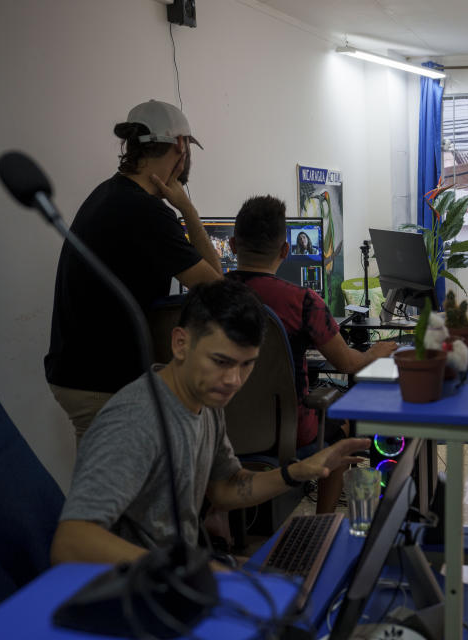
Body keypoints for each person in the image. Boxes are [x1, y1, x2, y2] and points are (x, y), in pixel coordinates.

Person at [51, 279, 369, 565]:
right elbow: (71, 542)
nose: (233, 380)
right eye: (221, 361)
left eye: (246, 365)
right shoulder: (134, 421)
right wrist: (192, 573)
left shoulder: (207, 400)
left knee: (304, 583)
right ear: (180, 344)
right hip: (135, 594)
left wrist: (297, 472)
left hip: (181, 575)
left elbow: (225, 488)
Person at [45, 100, 223, 443]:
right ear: (181, 147)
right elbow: (217, 288)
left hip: (77, 373)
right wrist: (187, 208)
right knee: (121, 492)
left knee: (110, 487)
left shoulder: (108, 193)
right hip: (101, 382)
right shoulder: (145, 212)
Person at [228, 195, 398, 512]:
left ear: (234, 245)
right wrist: (374, 353)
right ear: (285, 250)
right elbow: (347, 363)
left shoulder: (211, 295)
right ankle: (323, 522)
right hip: (290, 431)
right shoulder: (304, 301)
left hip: (220, 426)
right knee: (344, 422)